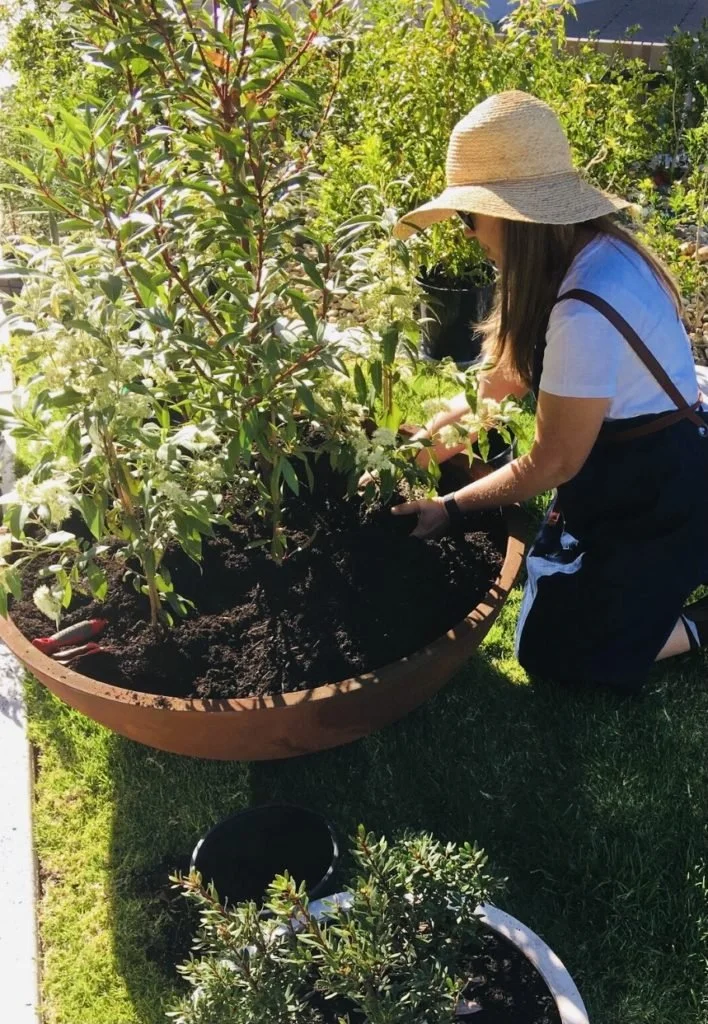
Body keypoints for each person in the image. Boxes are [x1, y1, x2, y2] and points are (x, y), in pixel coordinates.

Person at [389, 90, 708, 693]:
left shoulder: (584, 307)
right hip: (627, 461)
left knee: (558, 653)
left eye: (468, 217)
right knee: (559, 596)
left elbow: (553, 461)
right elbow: (500, 384)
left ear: (510, 218)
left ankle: (692, 625)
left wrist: (448, 508)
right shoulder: (579, 252)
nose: (466, 233)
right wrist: (430, 446)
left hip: (663, 486)